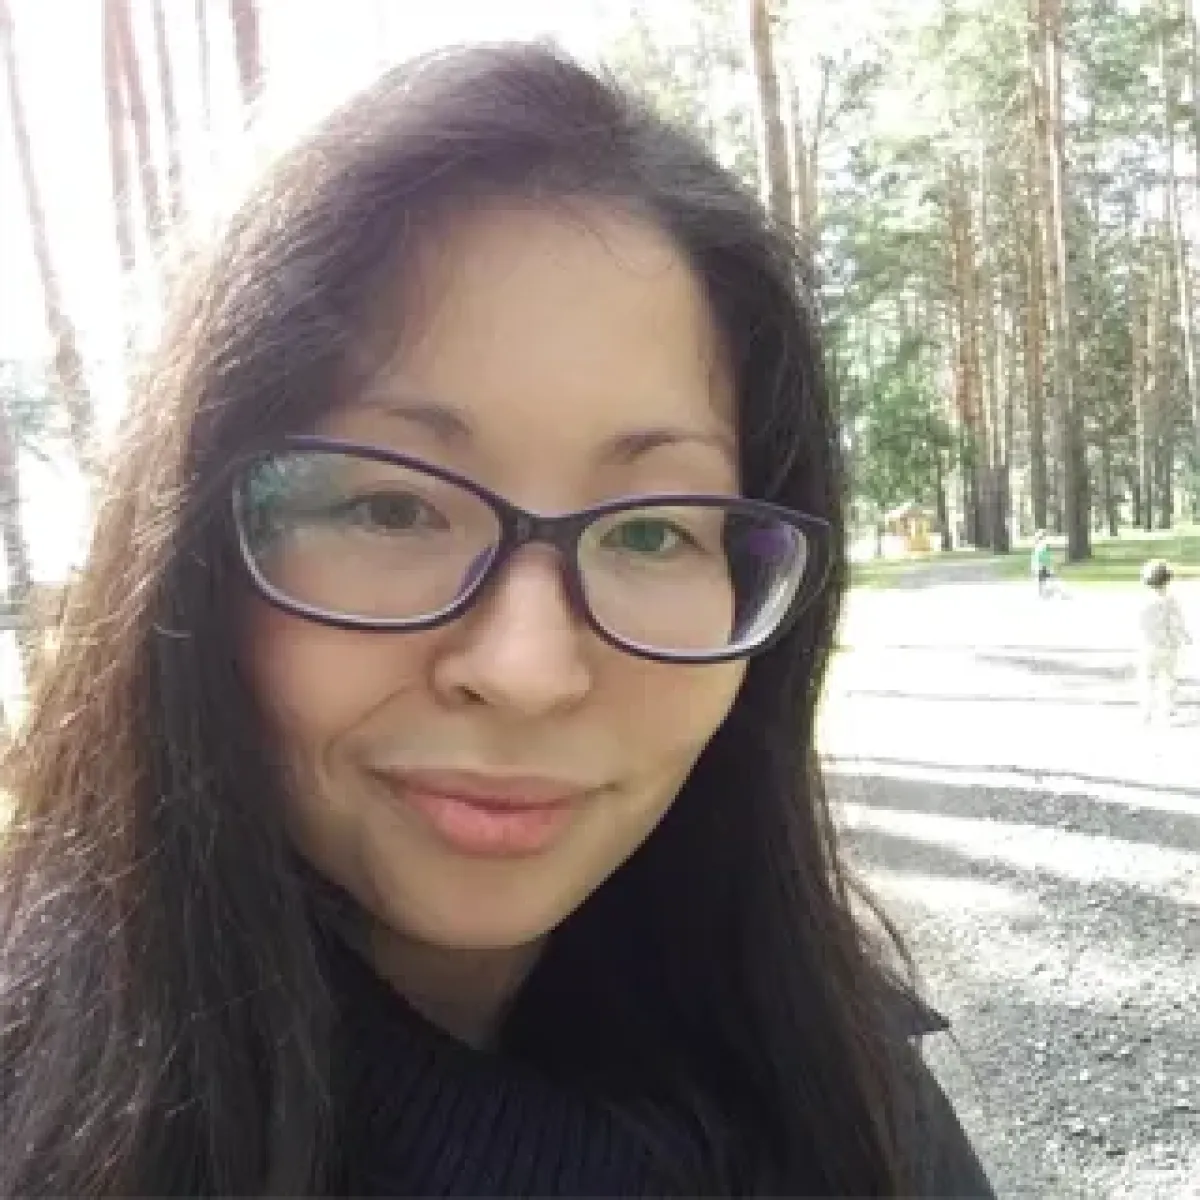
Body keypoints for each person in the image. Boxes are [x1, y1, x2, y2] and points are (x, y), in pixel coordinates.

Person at [0, 44, 996, 1200]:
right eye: (392, 507)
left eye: (650, 531)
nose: (528, 670)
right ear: (193, 556)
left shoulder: (845, 1094)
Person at [1137, 558, 1192, 725]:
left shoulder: (1143, 601)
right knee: (1168, 677)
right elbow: (1178, 622)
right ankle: (1167, 709)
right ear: (1167, 579)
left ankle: (1146, 710)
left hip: (1149, 645)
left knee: (1147, 678)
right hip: (1169, 645)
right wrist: (1185, 637)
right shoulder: (1171, 600)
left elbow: (1140, 623)